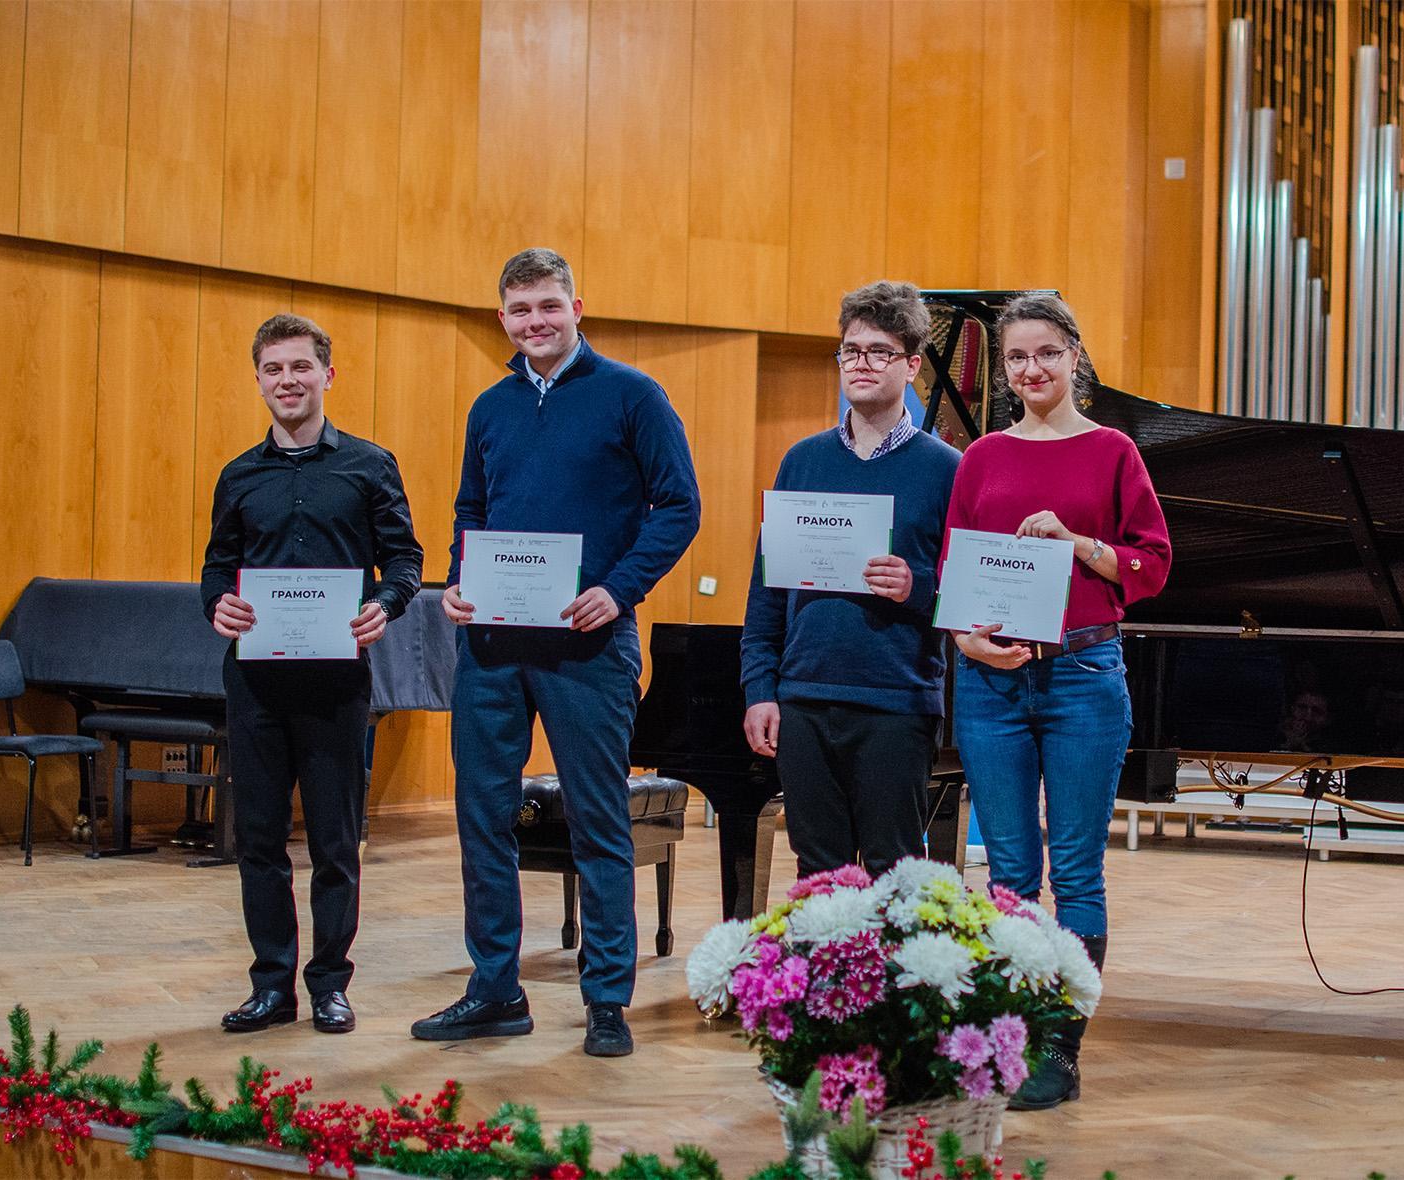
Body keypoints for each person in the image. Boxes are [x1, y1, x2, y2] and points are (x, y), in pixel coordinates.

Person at [418, 248, 700, 1057]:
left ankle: (607, 999)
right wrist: (458, 580)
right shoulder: (490, 407)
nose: (534, 321)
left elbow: (679, 505)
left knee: (599, 822)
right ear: (501, 317)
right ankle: (495, 991)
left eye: (548, 305)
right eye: (519, 310)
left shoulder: (633, 396)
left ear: (579, 306)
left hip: (589, 644)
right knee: (481, 819)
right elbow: (473, 506)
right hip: (494, 646)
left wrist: (619, 588)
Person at [941, 293, 1172, 1109]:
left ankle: (1059, 1049)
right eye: (1015, 359)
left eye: (1046, 354)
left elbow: (1153, 565)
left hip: (1081, 677)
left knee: (1075, 870)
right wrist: (968, 641)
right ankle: (1010, 1034)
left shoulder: (1112, 452)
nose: (1031, 370)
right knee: (1007, 876)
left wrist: (1077, 544)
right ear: (1003, 371)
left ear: (1075, 356)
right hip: (990, 685)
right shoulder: (980, 458)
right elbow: (954, 572)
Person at [201, 313, 424, 1036]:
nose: (287, 381)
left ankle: (330, 983)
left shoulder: (369, 465)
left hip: (336, 684)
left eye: (300, 367)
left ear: (329, 374)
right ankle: (272, 987)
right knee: (258, 841)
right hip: (256, 683)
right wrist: (219, 605)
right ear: (258, 379)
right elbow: (215, 566)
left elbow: (406, 561)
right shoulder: (239, 474)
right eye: (273, 370)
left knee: (335, 843)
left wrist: (384, 603)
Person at [740, 281, 962, 879]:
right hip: (803, 699)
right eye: (851, 349)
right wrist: (760, 689)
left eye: (881, 351)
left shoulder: (947, 469)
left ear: (913, 364)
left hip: (895, 703)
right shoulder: (802, 460)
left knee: (895, 873)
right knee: (817, 872)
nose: (862, 363)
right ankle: (825, 979)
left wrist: (914, 587)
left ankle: (896, 979)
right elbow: (766, 595)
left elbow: (969, 598)